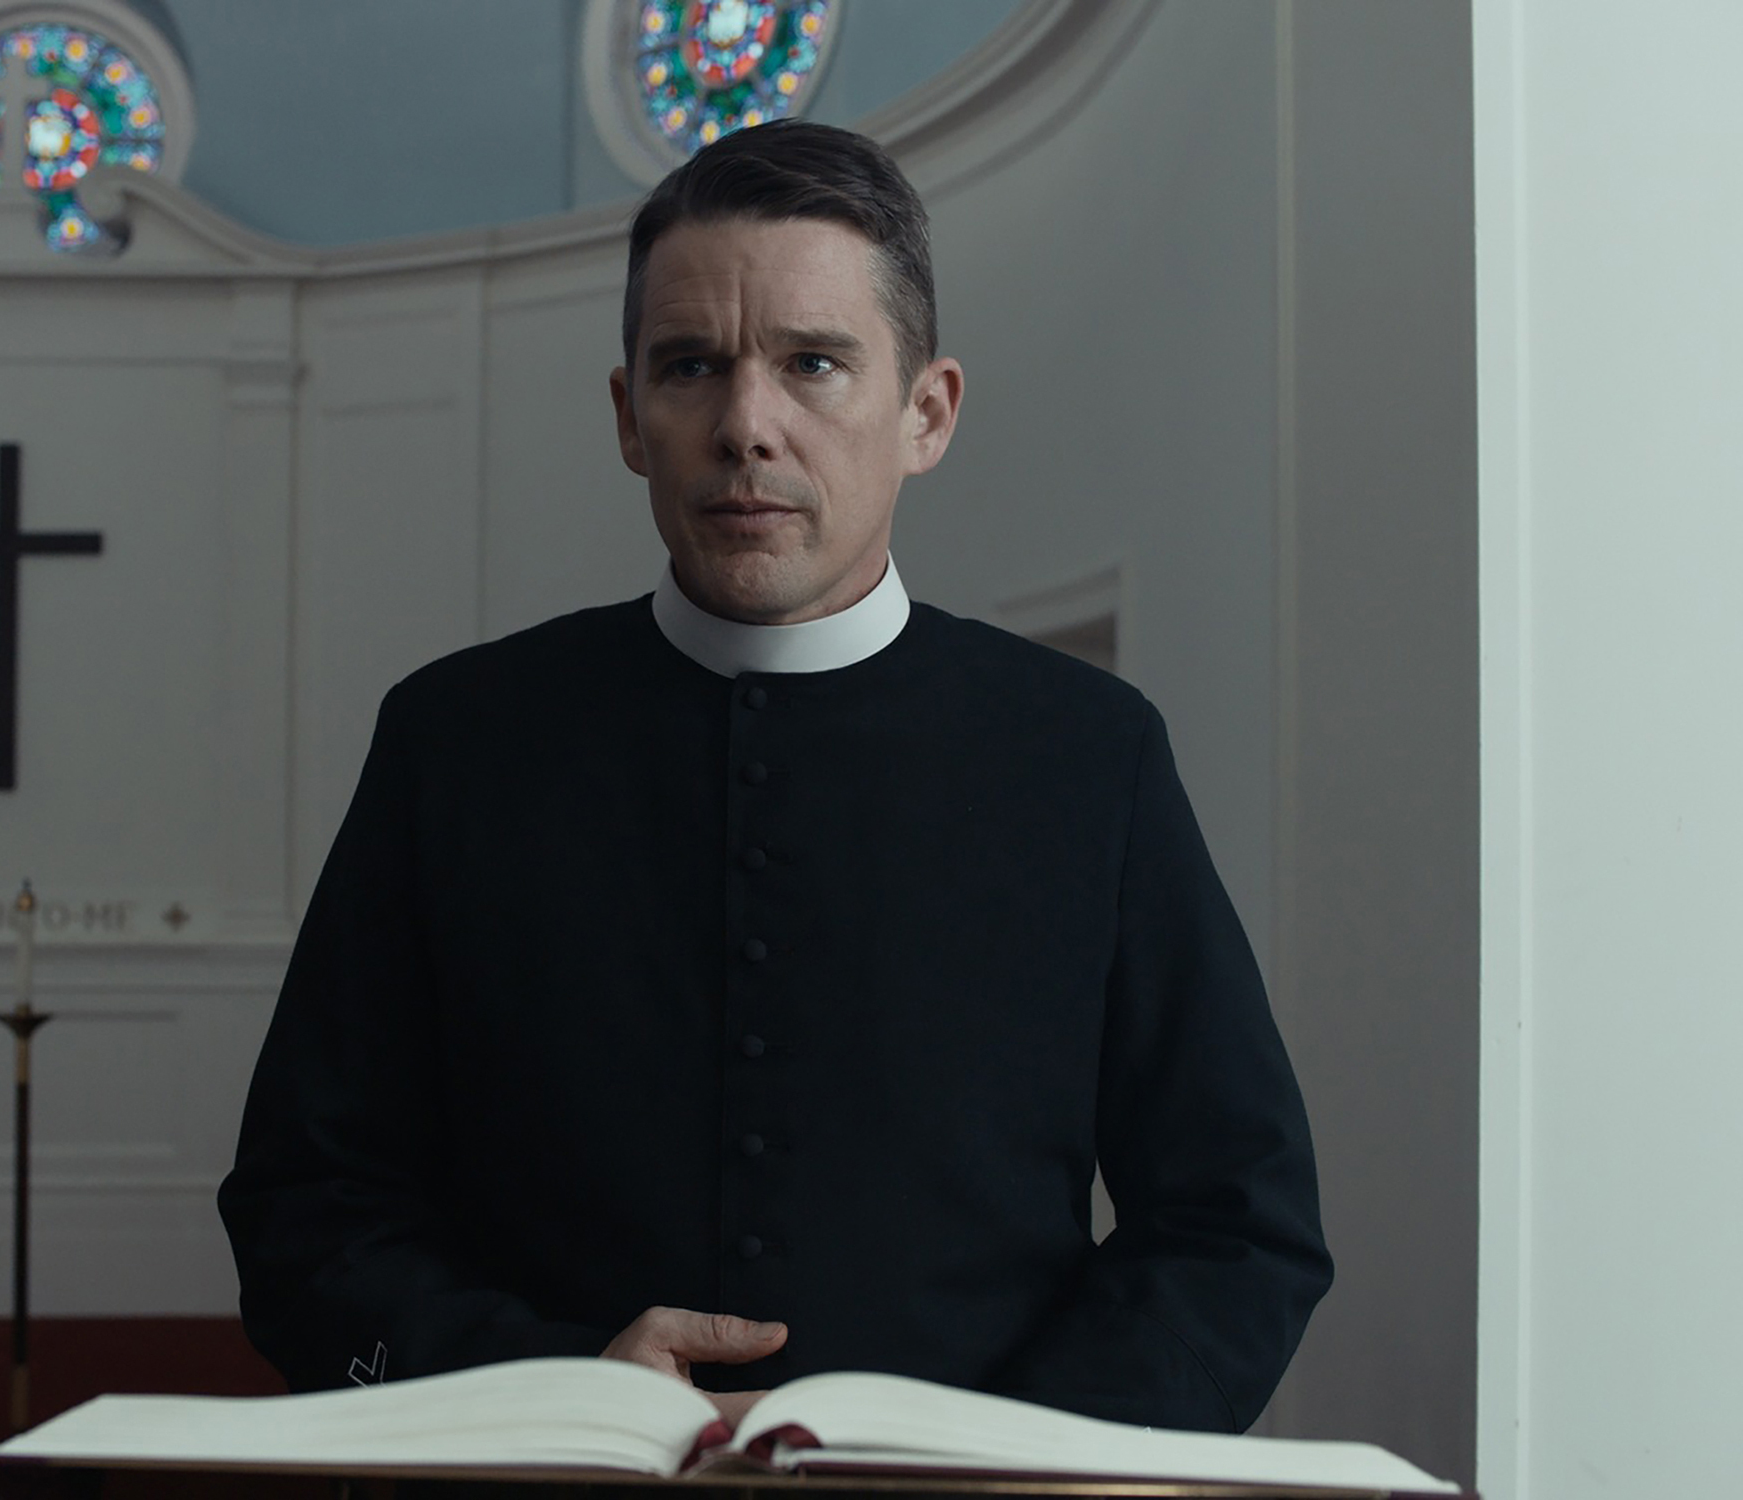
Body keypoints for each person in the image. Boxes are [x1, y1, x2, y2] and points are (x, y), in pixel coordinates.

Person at [218, 120, 1330, 1435]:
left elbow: (1237, 1227)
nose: (747, 426)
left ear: (927, 414)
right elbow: (306, 1209)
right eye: (691, 366)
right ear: (630, 418)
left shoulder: (1092, 753)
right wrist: (549, 1391)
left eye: (813, 363)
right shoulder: (453, 742)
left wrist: (1005, 1462)